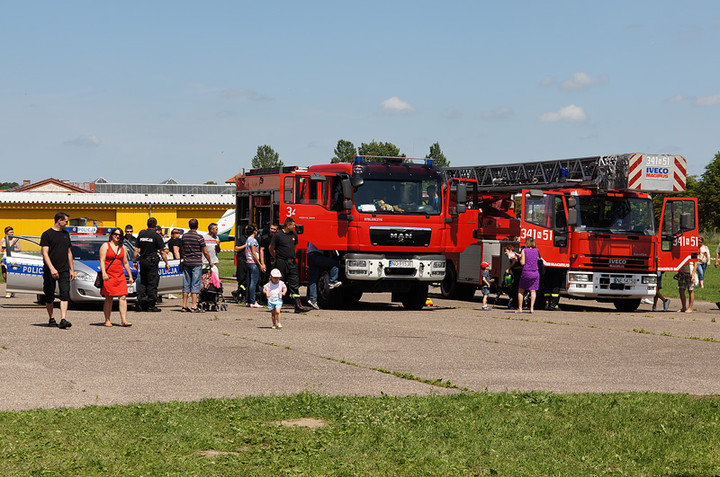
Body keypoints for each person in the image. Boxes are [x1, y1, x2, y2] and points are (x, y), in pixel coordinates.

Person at [40, 212, 75, 329]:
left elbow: (69, 253)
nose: (67, 223)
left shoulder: (66, 234)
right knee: (49, 295)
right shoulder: (47, 234)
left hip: (64, 269)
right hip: (50, 270)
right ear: (59, 220)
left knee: (65, 294)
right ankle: (51, 318)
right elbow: (45, 253)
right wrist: (52, 268)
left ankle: (63, 319)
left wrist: (72, 269)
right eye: (66, 221)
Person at [269, 218, 311, 313]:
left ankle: (297, 305)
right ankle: (275, 305)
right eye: (293, 225)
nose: (294, 226)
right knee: (279, 283)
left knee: (294, 283)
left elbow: (294, 246)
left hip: (292, 262)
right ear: (287, 225)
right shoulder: (278, 235)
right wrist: (277, 257)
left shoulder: (294, 234)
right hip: (281, 262)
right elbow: (271, 248)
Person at [99, 227, 134, 327]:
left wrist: (130, 276)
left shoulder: (123, 248)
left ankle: (124, 320)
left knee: (123, 297)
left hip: (120, 275)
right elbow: (102, 260)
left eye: (119, 235)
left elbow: (126, 263)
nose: (117, 236)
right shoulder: (105, 246)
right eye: (115, 234)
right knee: (109, 298)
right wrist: (104, 273)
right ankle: (107, 320)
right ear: (112, 234)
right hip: (109, 275)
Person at [133, 217, 169, 312]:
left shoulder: (141, 234)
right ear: (155, 225)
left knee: (143, 282)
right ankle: (151, 305)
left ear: (147, 224)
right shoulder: (156, 236)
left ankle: (141, 302)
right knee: (152, 283)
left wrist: (134, 261)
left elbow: (136, 250)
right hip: (152, 262)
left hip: (143, 261)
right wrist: (166, 263)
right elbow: (162, 251)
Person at [180, 218, 212, 312]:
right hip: (196, 262)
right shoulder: (199, 237)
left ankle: (184, 305)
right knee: (195, 283)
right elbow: (205, 251)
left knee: (186, 283)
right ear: (197, 226)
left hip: (186, 262)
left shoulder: (184, 236)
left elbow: (182, 248)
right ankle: (194, 306)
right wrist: (209, 261)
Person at [306, 242, 342, 310]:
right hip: (316, 256)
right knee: (334, 263)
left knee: (313, 279)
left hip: (310, 255)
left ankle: (312, 299)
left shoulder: (311, 238)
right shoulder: (318, 236)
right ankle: (333, 281)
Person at [517, 237, 540, 313]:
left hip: (526, 272)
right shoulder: (536, 250)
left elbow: (522, 263)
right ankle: (531, 308)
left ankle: (520, 308)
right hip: (535, 272)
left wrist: (520, 257)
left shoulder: (524, 250)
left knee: (521, 290)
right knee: (533, 291)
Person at [244, 225, 265, 308]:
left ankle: (248, 300)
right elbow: (254, 253)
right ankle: (252, 301)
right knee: (253, 283)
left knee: (249, 282)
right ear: (254, 231)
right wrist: (260, 264)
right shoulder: (253, 241)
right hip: (253, 263)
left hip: (248, 262)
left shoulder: (248, 240)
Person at [1, 225, 21, 298]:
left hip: (12, 259)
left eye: (12, 232)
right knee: (4, 276)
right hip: (4, 259)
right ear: (6, 233)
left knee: (10, 276)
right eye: (10, 232)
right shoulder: (2, 240)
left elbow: (19, 249)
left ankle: (9, 292)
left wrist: (11, 249)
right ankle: (11, 289)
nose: (12, 233)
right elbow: (0, 249)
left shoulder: (15, 240)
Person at [232, 225, 249, 302]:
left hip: (249, 261)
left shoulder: (254, 239)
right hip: (242, 260)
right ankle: (241, 294)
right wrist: (245, 245)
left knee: (247, 278)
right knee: (241, 278)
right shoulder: (241, 239)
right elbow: (236, 248)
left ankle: (243, 293)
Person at [504, 245, 521, 309]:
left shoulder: (511, 254)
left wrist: (509, 268)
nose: (505, 253)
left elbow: (514, 261)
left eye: (506, 251)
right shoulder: (514, 253)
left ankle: (515, 304)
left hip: (518, 272)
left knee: (515, 288)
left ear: (510, 250)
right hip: (518, 272)